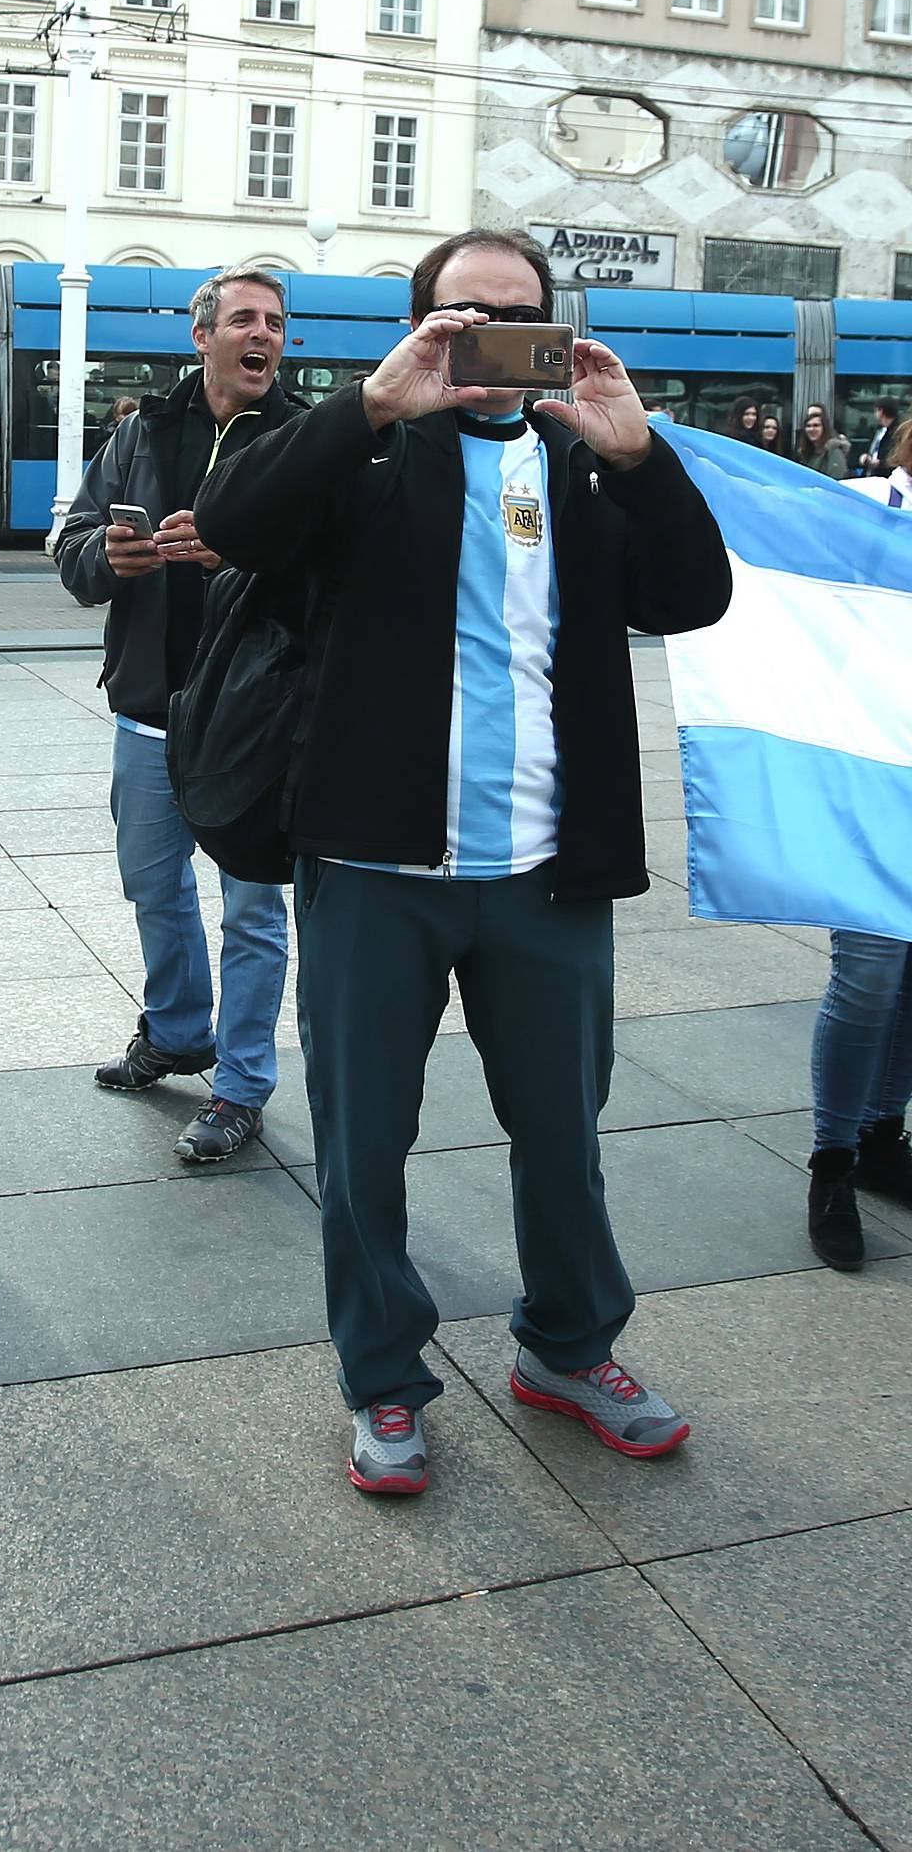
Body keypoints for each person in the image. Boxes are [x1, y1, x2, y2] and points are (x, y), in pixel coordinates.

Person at [197, 226, 732, 1498]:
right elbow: (234, 520)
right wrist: (372, 402)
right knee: (363, 1144)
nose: (489, 338)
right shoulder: (366, 452)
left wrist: (640, 452)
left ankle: (568, 1348)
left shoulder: (583, 466)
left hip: (546, 874)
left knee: (563, 1134)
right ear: (421, 322)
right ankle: (384, 1378)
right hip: (373, 870)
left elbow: (696, 594)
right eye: (462, 315)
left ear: (554, 329)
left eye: (517, 315)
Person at [55, 270, 298, 1164]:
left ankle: (239, 1085)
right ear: (204, 336)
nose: (261, 334)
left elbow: (335, 571)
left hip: (253, 722)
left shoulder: (307, 439)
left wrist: (244, 549)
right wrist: (107, 556)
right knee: (153, 886)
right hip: (151, 712)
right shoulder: (142, 433)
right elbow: (72, 547)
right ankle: (176, 1028)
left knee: (253, 912)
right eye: (244, 318)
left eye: (274, 322)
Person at [795, 402, 850, 478]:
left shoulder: (834, 449)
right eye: (808, 426)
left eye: (816, 425)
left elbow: (837, 477)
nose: (811, 429)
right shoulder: (805, 451)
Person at [858, 402, 904, 477]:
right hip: (872, 474)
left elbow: (899, 459)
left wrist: (880, 463)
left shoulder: (898, 432)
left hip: (887, 477)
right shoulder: (879, 430)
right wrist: (866, 457)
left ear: (881, 412)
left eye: (875, 411)